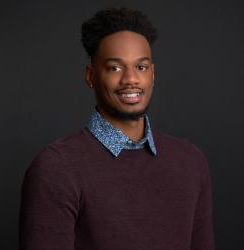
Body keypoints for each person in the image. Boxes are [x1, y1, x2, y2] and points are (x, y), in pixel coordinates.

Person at [19, 7, 215, 250]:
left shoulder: (190, 162)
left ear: (152, 74)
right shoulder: (56, 169)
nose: (131, 79)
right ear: (91, 76)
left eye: (141, 67)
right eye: (115, 67)